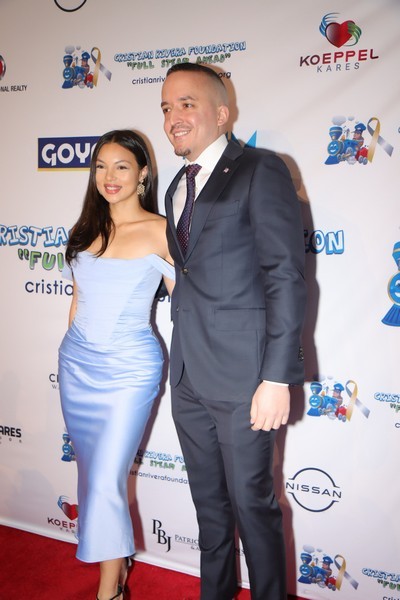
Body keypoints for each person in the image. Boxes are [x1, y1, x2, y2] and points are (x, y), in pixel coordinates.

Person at [161, 63, 306, 600]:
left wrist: (276, 378)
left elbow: (285, 275)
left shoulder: (260, 170)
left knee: (254, 506)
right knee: (210, 510)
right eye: (166, 108)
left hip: (246, 380)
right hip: (187, 378)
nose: (174, 117)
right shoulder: (175, 186)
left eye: (187, 104)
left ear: (222, 113)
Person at [58, 130, 174, 600]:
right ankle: (116, 561)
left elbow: (190, 304)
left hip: (129, 370)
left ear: (142, 173)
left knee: (107, 477)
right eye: (101, 166)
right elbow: (77, 300)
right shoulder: (85, 229)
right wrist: (68, 352)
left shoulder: (162, 231)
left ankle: (110, 590)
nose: (109, 176)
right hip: (76, 367)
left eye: (121, 166)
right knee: (91, 474)